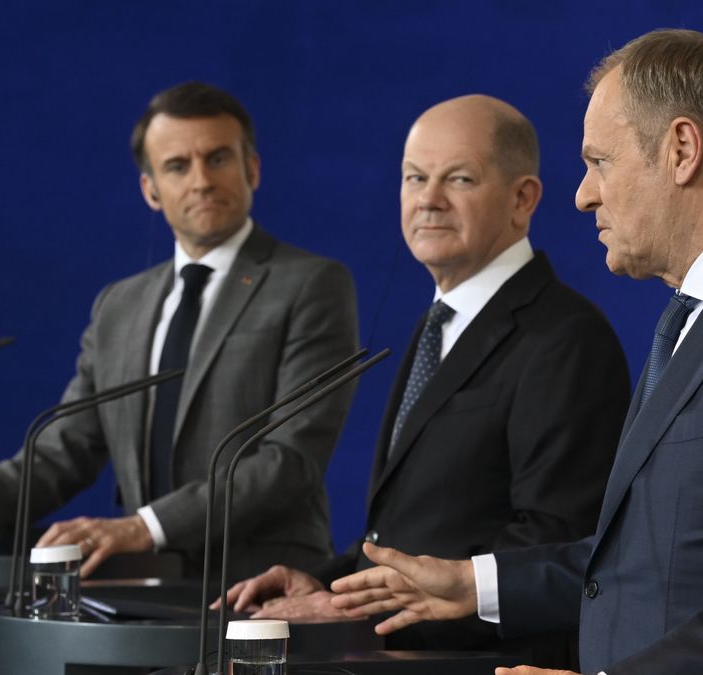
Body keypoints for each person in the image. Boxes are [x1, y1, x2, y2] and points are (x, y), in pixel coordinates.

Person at [329, 30, 703, 675]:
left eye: (599, 162)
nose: (583, 194)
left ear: (682, 151)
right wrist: (478, 586)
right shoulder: (700, 315)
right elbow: (646, 560)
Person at [0, 82, 360, 581]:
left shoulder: (311, 285)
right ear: (150, 189)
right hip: (141, 587)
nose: (201, 181)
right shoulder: (119, 305)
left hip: (264, 587)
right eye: (177, 166)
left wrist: (143, 527)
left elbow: (290, 460)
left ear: (251, 169)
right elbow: (65, 447)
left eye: (218, 159)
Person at [215, 95, 629, 666]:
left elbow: (555, 541)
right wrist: (328, 583)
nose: (428, 200)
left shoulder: (566, 337)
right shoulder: (440, 322)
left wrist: (362, 612)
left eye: (458, 179)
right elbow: (416, 533)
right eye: (414, 178)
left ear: (522, 198)